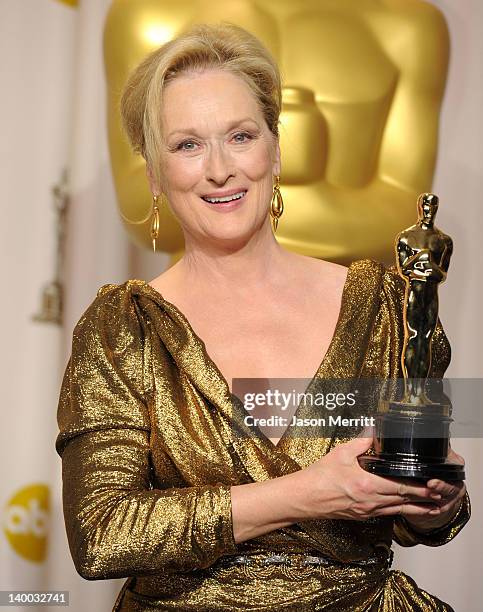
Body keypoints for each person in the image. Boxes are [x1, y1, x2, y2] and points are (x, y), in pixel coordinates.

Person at [56, 23, 470, 611]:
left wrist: (437, 502)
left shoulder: (383, 305)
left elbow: (413, 513)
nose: (220, 169)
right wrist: (307, 494)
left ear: (276, 148)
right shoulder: (125, 327)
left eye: (240, 136)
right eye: (187, 145)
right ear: (153, 173)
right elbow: (101, 534)